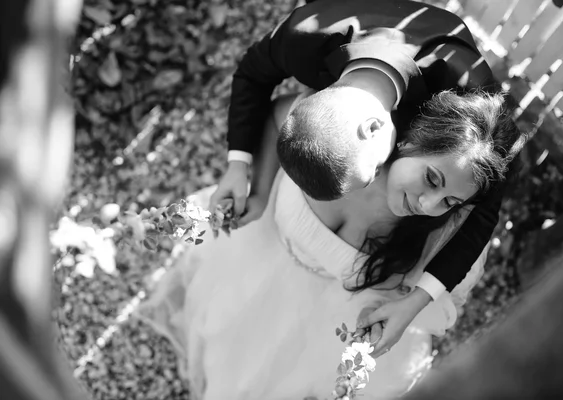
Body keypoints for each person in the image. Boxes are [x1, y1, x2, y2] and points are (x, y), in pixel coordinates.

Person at [136, 88, 526, 399]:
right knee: (226, 345)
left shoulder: (445, 233)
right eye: (432, 180)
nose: (428, 205)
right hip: (257, 263)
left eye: (449, 202)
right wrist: (259, 188)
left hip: (325, 328)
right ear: (412, 140)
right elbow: (279, 113)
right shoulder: (337, 138)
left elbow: (438, 297)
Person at [208, 0, 511, 356]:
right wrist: (238, 165)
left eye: (367, 179)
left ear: (385, 129)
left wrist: (416, 301)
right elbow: (251, 74)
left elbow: (489, 201)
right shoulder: (304, 36)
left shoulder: (466, 94)